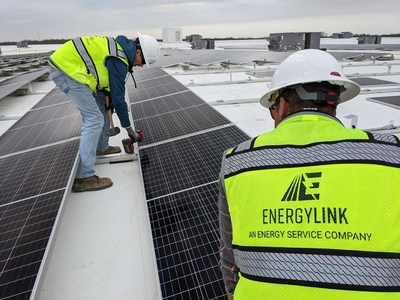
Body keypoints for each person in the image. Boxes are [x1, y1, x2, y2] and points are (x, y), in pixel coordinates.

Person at [218, 49, 400, 299]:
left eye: (272, 110)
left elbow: (230, 261)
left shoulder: (237, 163)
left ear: (281, 105)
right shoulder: (392, 156)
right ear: (334, 104)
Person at [49, 33, 160, 192]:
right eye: (143, 61)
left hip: (71, 68)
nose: (141, 66)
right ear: (138, 52)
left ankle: (101, 147)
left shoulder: (119, 51)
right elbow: (119, 97)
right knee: (94, 119)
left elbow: (109, 88)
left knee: (103, 107)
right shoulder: (119, 59)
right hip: (67, 70)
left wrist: (111, 101)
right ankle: (83, 177)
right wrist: (129, 130)